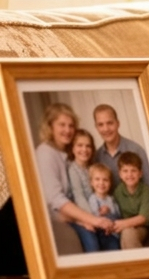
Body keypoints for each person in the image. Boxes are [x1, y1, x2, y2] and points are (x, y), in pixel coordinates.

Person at [33, 103, 114, 253]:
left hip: (72, 214)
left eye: (71, 126)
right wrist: (90, 220)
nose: (68, 130)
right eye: (62, 125)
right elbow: (56, 200)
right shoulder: (45, 153)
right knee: (91, 237)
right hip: (54, 217)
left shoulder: (69, 154)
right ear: (50, 126)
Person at [111, 151, 149, 249]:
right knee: (124, 236)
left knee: (127, 234)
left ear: (140, 174)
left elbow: (143, 218)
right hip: (124, 227)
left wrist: (124, 224)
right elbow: (114, 210)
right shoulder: (118, 191)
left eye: (133, 170)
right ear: (120, 174)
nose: (130, 174)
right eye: (125, 171)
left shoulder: (146, 191)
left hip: (141, 227)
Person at [85, 163, 122, 251]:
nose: (101, 183)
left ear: (110, 183)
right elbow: (93, 215)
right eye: (97, 179)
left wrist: (109, 210)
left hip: (113, 232)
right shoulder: (93, 198)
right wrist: (101, 213)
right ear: (91, 183)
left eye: (105, 180)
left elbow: (118, 214)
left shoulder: (111, 199)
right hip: (101, 232)